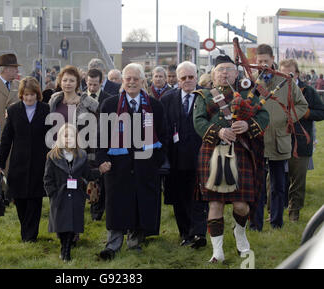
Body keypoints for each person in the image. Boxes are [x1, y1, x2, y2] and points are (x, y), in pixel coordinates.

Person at [193, 55, 269, 263]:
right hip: (213, 153)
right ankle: (217, 252)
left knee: (240, 205)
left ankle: (240, 233)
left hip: (240, 153)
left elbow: (264, 116)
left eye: (229, 69)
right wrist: (218, 132)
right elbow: (198, 121)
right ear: (213, 74)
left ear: (236, 73)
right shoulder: (204, 96)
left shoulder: (248, 94)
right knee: (215, 203)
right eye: (220, 70)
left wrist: (248, 125)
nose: (224, 73)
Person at [97, 63, 167, 260]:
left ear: (143, 81)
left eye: (136, 79)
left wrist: (156, 161)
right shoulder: (110, 105)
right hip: (117, 165)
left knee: (140, 203)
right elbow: (102, 136)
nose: (132, 82)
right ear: (122, 81)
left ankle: (135, 242)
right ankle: (113, 244)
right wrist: (102, 159)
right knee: (116, 204)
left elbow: (163, 136)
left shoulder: (155, 106)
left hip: (145, 165)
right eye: (128, 78)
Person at [250, 44, 308, 231]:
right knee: (257, 185)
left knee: (278, 185)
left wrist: (288, 119)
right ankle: (255, 224)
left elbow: (301, 104)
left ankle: (276, 222)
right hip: (257, 139)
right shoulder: (251, 81)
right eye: (259, 61)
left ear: (273, 59)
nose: (263, 64)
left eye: (266, 61)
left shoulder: (286, 81)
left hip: (278, 139)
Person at [0, 77, 50, 242]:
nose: (29, 98)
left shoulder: (45, 109)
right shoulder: (13, 111)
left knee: (35, 200)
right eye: (26, 95)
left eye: (32, 95)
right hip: (18, 162)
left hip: (39, 162)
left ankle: (30, 236)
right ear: (21, 95)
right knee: (19, 199)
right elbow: (6, 139)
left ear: (37, 94)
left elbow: (50, 137)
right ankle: (26, 231)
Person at [161, 61, 207, 248]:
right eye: (183, 78)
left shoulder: (207, 97)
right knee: (179, 199)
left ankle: (199, 234)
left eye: (191, 77)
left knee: (199, 197)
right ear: (178, 80)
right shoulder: (167, 99)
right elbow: (163, 130)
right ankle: (185, 234)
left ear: (197, 77)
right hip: (176, 158)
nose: (188, 81)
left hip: (201, 157)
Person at [43, 123, 98, 262]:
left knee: (72, 224)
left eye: (72, 136)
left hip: (76, 195)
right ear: (61, 137)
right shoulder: (52, 156)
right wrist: (52, 193)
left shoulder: (81, 155)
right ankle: (63, 246)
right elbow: (47, 178)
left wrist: (101, 171)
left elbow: (88, 173)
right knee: (61, 225)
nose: (68, 138)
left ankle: (66, 252)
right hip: (59, 196)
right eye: (66, 135)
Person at [279, 59, 324, 222]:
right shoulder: (274, 90)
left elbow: (321, 112)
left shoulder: (309, 91)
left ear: (297, 73)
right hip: (278, 141)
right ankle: (274, 214)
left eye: (289, 73)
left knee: (297, 181)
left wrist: (306, 114)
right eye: (282, 73)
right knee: (274, 179)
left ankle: (294, 214)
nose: (286, 76)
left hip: (301, 142)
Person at [85, 68, 113, 221]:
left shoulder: (108, 99)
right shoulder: (81, 99)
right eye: (90, 84)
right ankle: (93, 208)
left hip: (102, 144)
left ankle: (99, 210)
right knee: (90, 177)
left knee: (102, 177)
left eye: (95, 84)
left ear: (101, 82)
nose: (92, 88)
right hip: (85, 144)